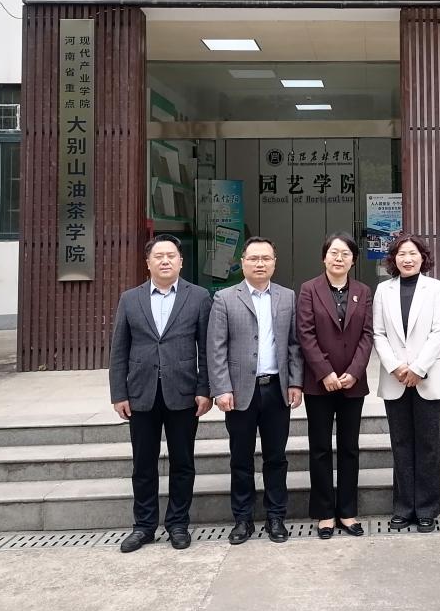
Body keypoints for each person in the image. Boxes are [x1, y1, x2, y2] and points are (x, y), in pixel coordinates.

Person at [108, 234, 213, 552]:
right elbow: (119, 350)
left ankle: (178, 524)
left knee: (183, 462)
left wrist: (204, 389)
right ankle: (144, 526)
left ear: (181, 261)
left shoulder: (199, 297)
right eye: (158, 256)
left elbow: (206, 348)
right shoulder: (130, 299)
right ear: (148, 263)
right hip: (141, 394)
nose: (165, 260)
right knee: (143, 464)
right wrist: (119, 393)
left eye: (171, 256)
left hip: (183, 393)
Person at [206, 236, 303, 545]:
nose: (260, 264)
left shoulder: (288, 297)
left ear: (274, 262)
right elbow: (216, 348)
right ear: (243, 262)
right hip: (239, 392)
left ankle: (276, 517)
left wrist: (296, 382)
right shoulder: (224, 298)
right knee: (241, 458)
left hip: (276, 389)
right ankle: (242, 519)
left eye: (266, 258)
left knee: (276, 457)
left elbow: (294, 344)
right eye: (253, 258)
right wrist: (222, 388)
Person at [296, 232, 375, 539]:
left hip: (353, 383)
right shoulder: (309, 290)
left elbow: (367, 335)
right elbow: (305, 333)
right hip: (320, 384)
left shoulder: (363, 291)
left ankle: (347, 511)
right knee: (319, 448)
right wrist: (325, 372)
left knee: (349, 448)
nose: (339, 258)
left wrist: (354, 372)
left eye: (345, 254)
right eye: (334, 253)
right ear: (324, 257)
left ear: (353, 260)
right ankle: (325, 513)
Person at [372, 233, 440, 533]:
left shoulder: (436, 288)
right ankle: (403, 508)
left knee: (429, 445)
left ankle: (427, 508)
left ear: (422, 257)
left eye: (413, 253)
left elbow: (439, 331)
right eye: (401, 254)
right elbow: (378, 333)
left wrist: (418, 368)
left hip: (428, 377)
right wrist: (395, 367)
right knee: (401, 444)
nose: (407, 259)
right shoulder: (383, 290)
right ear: (394, 259)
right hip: (395, 379)